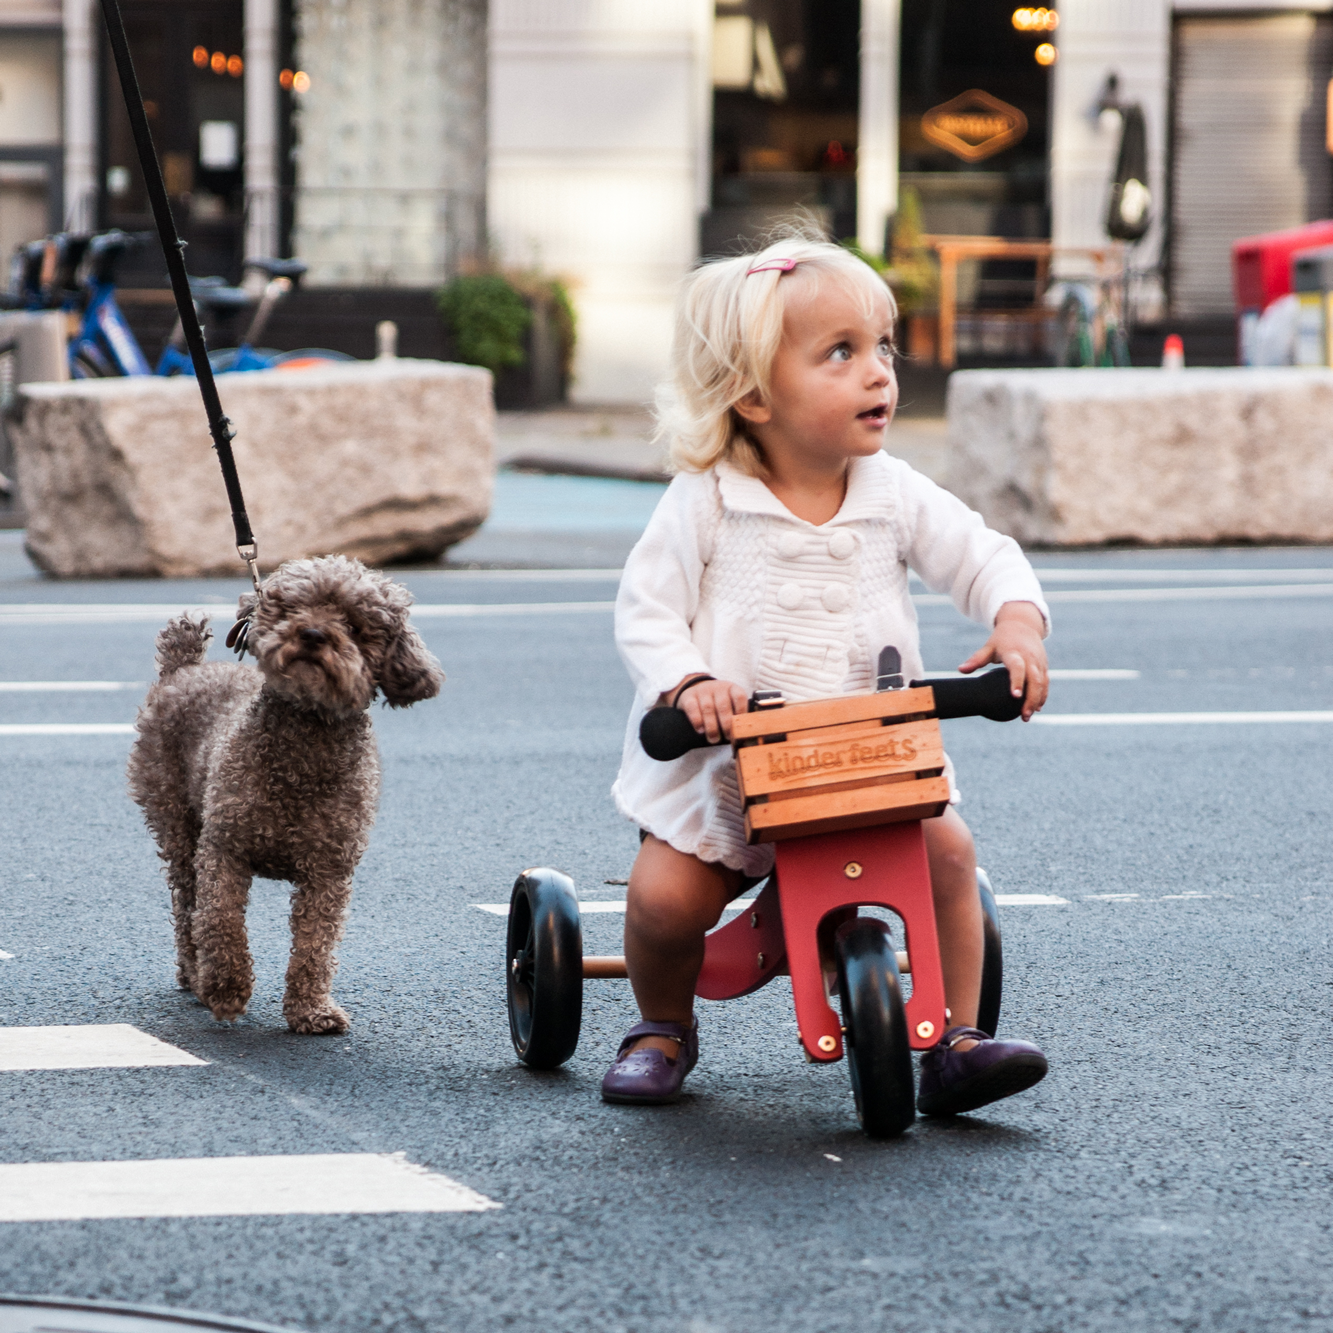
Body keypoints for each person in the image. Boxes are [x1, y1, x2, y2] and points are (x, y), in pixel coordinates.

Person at [604, 234, 1051, 1116]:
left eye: (882, 346)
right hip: (726, 778)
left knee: (949, 855)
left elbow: (982, 555)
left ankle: (954, 1036)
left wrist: (1015, 619)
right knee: (663, 901)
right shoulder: (707, 499)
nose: (877, 371)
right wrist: (689, 685)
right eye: (839, 353)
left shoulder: (893, 489)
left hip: (870, 768)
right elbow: (644, 609)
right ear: (751, 394)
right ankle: (660, 1025)